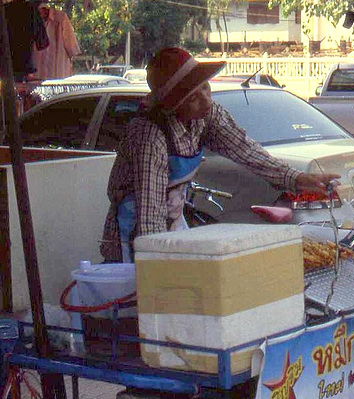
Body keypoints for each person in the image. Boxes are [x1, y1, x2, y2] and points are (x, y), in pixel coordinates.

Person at [101, 47, 338, 262]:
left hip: (172, 220)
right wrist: (156, 265)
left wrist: (296, 179)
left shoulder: (207, 115)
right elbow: (149, 219)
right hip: (134, 231)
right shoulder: (149, 135)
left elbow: (246, 150)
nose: (206, 100)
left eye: (205, 87)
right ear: (175, 105)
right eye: (193, 97)